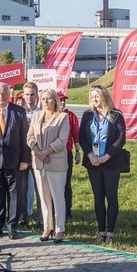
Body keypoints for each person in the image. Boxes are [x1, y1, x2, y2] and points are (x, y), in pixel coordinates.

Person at [79, 84, 126, 245]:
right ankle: (101, 232)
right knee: (98, 198)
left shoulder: (116, 115)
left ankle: (110, 233)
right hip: (93, 162)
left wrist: (107, 156)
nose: (94, 99)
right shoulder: (87, 115)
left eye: (97, 96)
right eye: (92, 97)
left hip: (111, 162)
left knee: (111, 197)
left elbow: (121, 138)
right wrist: (90, 155)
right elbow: (82, 137)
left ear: (104, 97)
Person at [26, 88, 69, 243]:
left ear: (55, 100)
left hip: (56, 162)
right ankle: (47, 226)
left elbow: (62, 140)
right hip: (39, 163)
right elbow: (30, 136)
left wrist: (46, 152)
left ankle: (59, 228)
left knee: (57, 197)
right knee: (43, 197)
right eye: (43, 98)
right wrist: (38, 152)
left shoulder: (63, 117)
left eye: (49, 98)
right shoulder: (37, 116)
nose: (46, 101)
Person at [0, 82, 30, 240]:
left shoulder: (19, 112)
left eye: (4, 94)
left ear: (9, 94)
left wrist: (25, 159)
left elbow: (25, 137)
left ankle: (12, 226)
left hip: (15, 160)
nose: (1, 97)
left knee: (14, 195)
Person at [20, 81, 41, 227]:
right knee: (22, 188)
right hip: (22, 155)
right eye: (27, 94)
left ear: (36, 95)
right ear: (23, 95)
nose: (29, 97)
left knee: (40, 188)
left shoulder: (42, 113)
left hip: (37, 154)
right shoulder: (18, 112)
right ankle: (23, 216)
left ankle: (41, 218)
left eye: (32, 94)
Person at [57, 91, 81, 220]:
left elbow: (76, 135)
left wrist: (78, 152)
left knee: (66, 183)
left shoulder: (70, 116)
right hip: (53, 154)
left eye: (63, 100)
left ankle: (67, 212)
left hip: (66, 153)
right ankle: (55, 211)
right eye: (60, 100)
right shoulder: (50, 115)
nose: (62, 102)